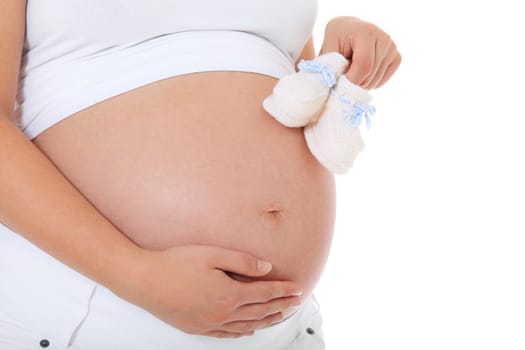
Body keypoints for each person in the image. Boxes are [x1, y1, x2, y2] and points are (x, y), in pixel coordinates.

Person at [0, 1, 401, 349]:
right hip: (84, 327)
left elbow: (290, 83)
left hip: (284, 335)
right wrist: (134, 273)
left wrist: (337, 51)